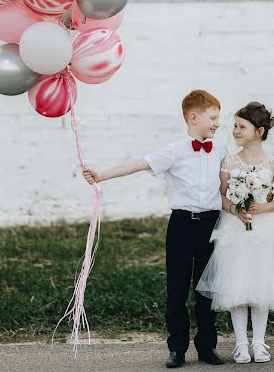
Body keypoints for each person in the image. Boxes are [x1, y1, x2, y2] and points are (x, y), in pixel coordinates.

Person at [82, 89, 227, 367]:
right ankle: (177, 349)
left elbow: (231, 181)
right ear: (193, 117)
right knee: (176, 289)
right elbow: (138, 163)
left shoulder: (221, 150)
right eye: (214, 117)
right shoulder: (174, 151)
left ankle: (207, 346)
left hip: (212, 225)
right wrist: (102, 175)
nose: (218, 123)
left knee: (207, 291)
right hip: (182, 226)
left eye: (219, 118)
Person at [196, 102, 274, 364]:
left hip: (267, 229)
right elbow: (221, 195)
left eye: (241, 126)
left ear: (259, 131)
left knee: (260, 286)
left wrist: (262, 207)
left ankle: (259, 342)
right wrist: (236, 209)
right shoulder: (229, 161)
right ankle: (240, 344)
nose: (235, 131)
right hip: (235, 230)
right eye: (235, 126)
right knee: (237, 284)